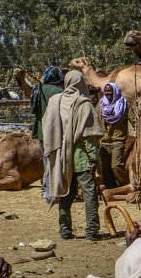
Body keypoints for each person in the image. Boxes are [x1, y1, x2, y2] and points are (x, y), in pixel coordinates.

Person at [43, 70, 103, 240]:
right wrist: (94, 159)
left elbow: (47, 128)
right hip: (81, 156)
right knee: (90, 195)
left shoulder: (54, 101)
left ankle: (65, 231)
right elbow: (89, 136)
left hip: (60, 156)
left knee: (65, 194)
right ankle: (92, 232)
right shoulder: (84, 104)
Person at [98, 82, 130, 189]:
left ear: (115, 91)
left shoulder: (124, 105)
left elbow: (134, 121)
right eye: (106, 91)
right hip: (104, 141)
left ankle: (126, 186)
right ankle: (111, 188)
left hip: (118, 140)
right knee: (105, 168)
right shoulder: (101, 105)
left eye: (109, 91)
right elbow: (96, 121)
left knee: (116, 165)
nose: (107, 93)